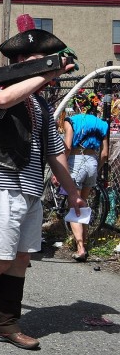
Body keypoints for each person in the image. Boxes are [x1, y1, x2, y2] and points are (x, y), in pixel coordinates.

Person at [0, 14, 84, 350]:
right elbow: (2, 102)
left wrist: (73, 193)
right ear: (18, 64)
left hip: (29, 190)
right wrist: (49, 73)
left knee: (21, 258)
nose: (44, 66)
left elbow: (55, 151)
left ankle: (6, 322)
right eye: (36, 61)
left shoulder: (41, 105)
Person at [61, 91, 109, 262]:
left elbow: (67, 146)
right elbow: (105, 153)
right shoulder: (102, 123)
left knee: (74, 204)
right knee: (84, 204)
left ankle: (80, 248)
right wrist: (98, 166)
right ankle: (85, 242)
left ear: (76, 105)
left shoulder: (71, 121)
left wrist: (62, 167)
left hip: (76, 160)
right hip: (93, 161)